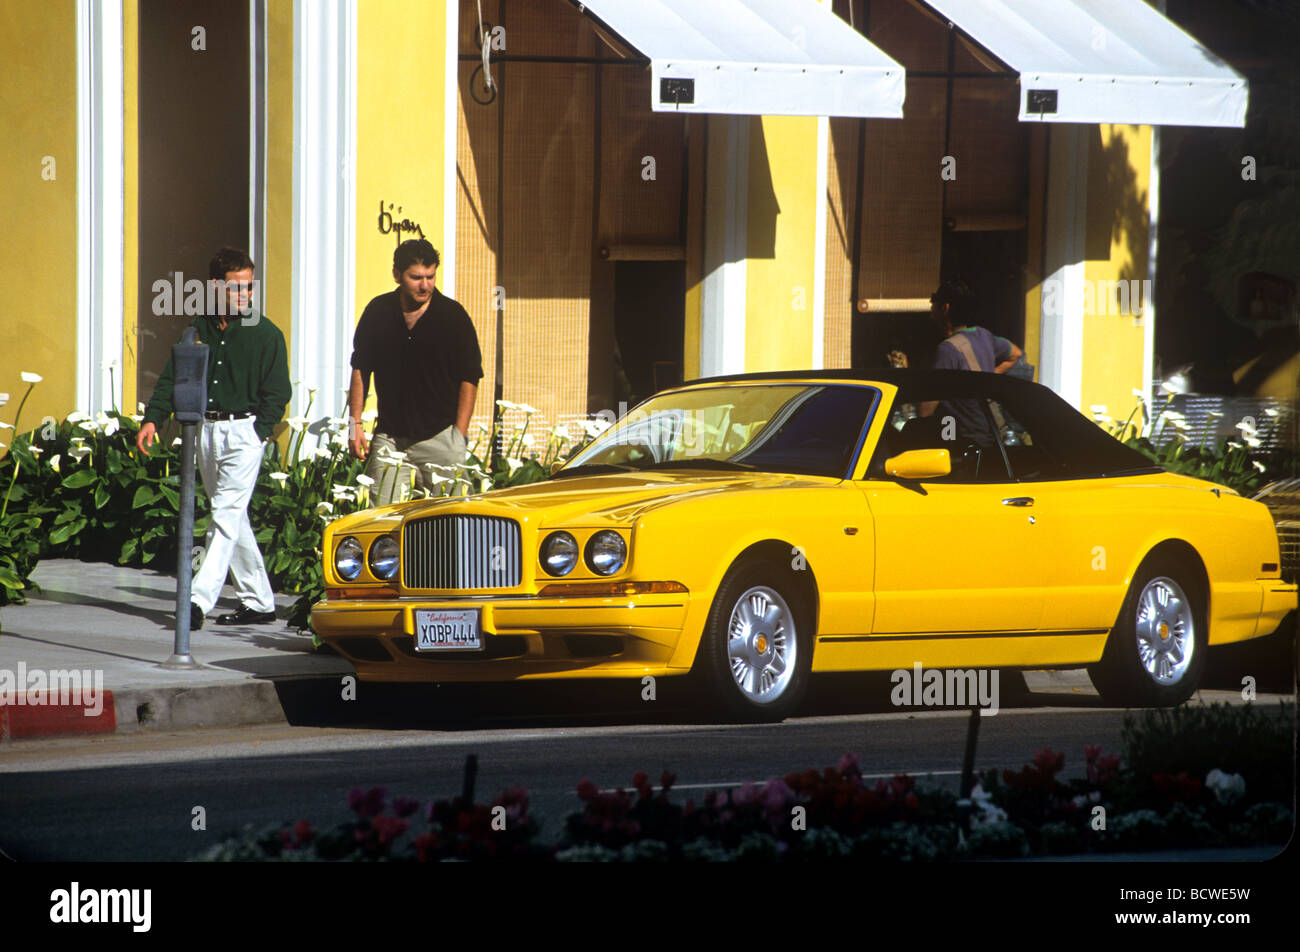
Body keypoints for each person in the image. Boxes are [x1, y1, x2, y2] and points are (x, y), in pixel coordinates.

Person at [137, 247, 291, 629]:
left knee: (223, 515)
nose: (245, 295)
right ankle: (259, 602)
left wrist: (260, 432)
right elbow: (173, 378)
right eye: (236, 288)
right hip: (206, 431)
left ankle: (197, 601)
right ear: (214, 287)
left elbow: (279, 392)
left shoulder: (267, 334)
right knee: (232, 518)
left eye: (249, 287)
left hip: (245, 433)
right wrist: (153, 419)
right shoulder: (197, 328)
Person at [349, 239, 483, 505]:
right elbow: (360, 368)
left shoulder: (452, 316)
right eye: (416, 277)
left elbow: (470, 376)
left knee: (450, 520)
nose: (425, 285)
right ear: (397, 275)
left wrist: (459, 435)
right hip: (390, 436)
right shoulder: (378, 311)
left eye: (430, 277)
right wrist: (355, 425)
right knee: (381, 519)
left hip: (441, 436)